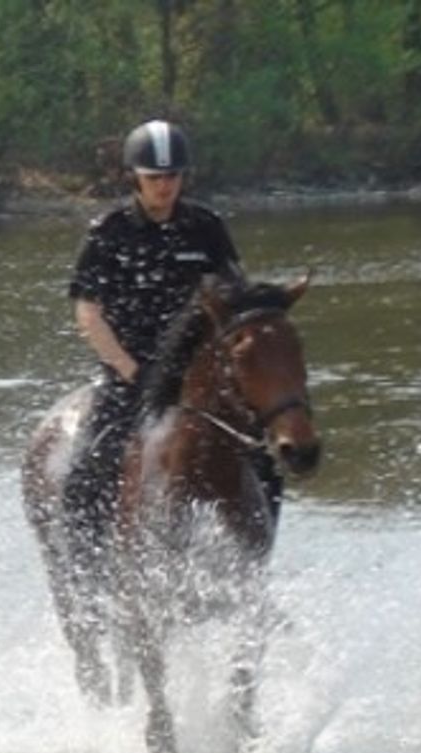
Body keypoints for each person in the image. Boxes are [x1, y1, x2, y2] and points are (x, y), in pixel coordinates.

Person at [62, 119, 281, 567]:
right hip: (133, 374)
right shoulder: (109, 232)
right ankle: (89, 569)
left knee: (268, 460)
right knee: (86, 470)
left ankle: (255, 556)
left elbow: (234, 296)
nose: (165, 186)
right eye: (155, 177)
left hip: (199, 373)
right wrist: (131, 371)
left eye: (173, 176)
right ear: (134, 178)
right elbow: (88, 313)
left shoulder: (206, 227)